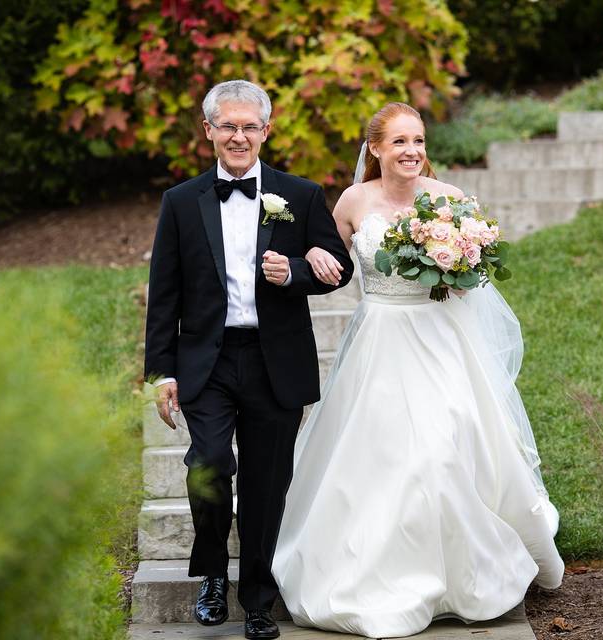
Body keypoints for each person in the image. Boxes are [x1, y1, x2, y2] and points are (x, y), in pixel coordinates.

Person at [271, 102, 564, 638]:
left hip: (440, 338)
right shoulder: (353, 202)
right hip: (380, 342)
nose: (412, 152)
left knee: (448, 441)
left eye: (420, 141)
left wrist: (457, 267)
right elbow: (331, 265)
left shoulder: (449, 200)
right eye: (401, 142)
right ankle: (382, 572)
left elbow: (476, 274)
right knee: (379, 453)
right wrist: (310, 257)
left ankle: (462, 573)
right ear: (376, 148)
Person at [144, 80, 354, 640]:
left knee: (267, 485)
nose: (239, 136)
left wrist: (297, 272)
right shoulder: (181, 202)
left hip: (274, 362)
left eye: (250, 126)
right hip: (206, 364)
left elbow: (339, 264)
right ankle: (213, 571)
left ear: (268, 130)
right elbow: (163, 295)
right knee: (208, 465)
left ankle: (258, 599)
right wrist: (161, 373)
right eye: (228, 126)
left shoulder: (302, 195)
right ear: (208, 130)